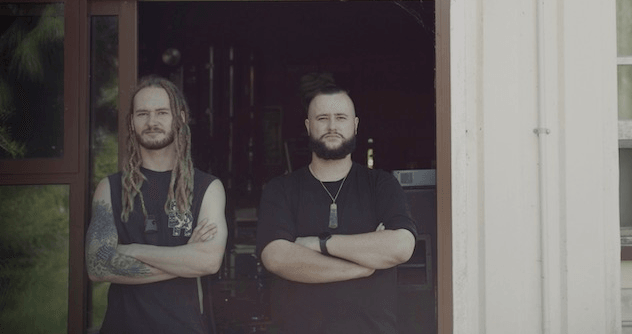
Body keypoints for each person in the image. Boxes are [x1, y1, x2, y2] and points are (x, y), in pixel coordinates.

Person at [256, 85, 417, 334]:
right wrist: (362, 266)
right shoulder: (281, 189)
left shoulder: (381, 184)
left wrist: (320, 244)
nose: (332, 126)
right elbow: (276, 257)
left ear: (355, 125)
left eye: (340, 118)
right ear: (309, 126)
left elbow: (401, 246)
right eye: (323, 118)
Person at [85, 76, 227, 334]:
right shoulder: (110, 189)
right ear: (131, 122)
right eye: (142, 114)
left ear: (181, 118)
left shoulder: (207, 187)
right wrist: (185, 259)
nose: (152, 122)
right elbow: (97, 265)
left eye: (162, 112)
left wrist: (131, 249)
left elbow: (208, 261)